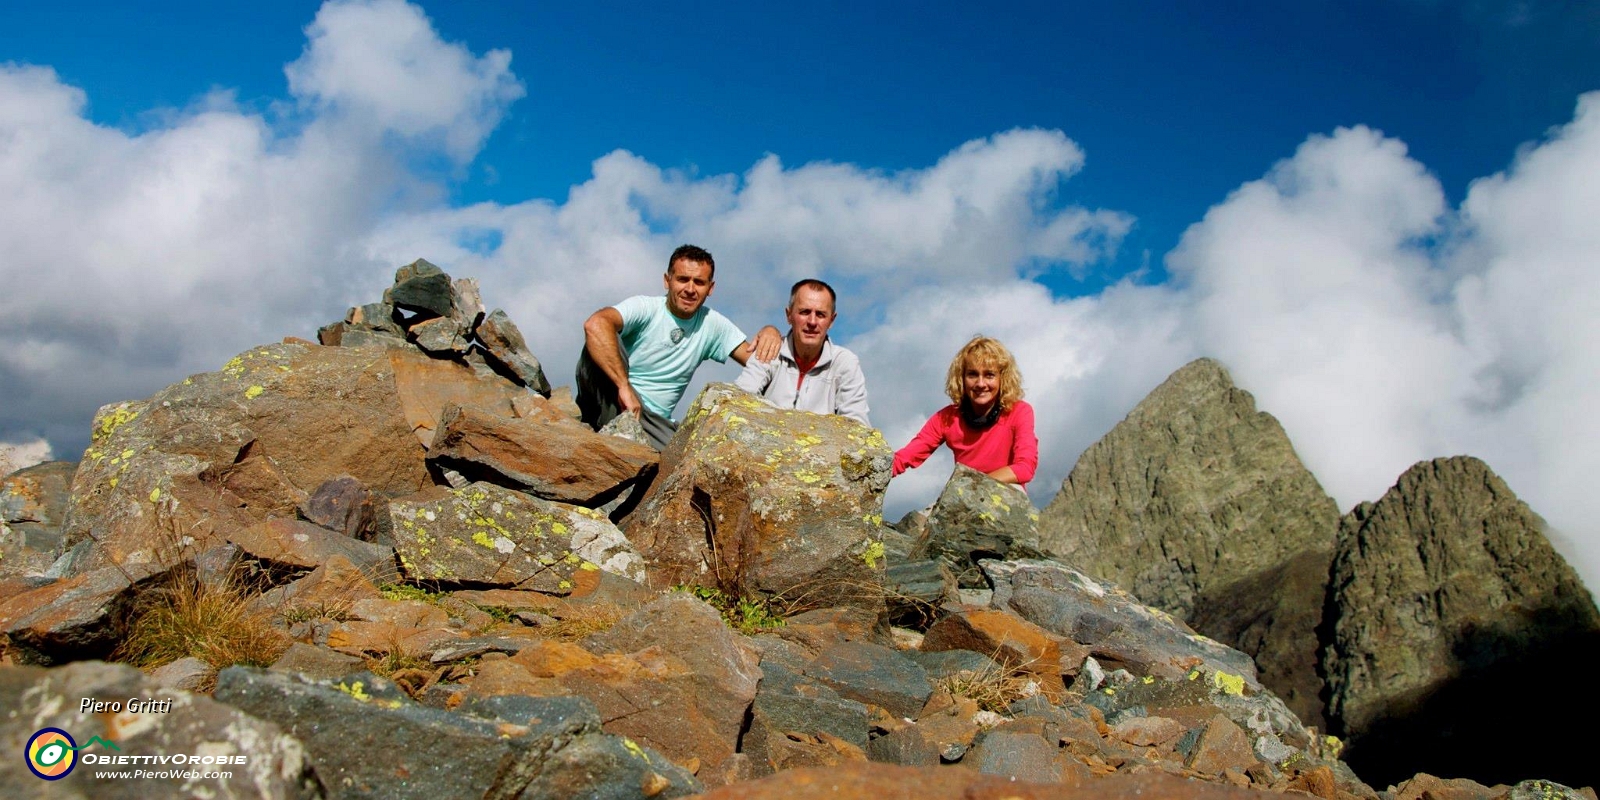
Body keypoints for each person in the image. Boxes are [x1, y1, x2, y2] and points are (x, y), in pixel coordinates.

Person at [577, 244, 780, 450]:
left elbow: (760, 363)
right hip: (612, 395)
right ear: (667, 281)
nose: (690, 289)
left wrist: (771, 332)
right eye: (683, 279)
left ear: (711, 288)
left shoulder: (713, 324)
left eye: (699, 282)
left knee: (689, 457)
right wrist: (623, 387)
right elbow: (595, 324)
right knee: (605, 335)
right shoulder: (646, 308)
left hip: (653, 422)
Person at [892, 335, 1038, 487]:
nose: (980, 383)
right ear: (961, 378)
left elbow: (1025, 468)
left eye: (989, 375)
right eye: (972, 374)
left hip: (1004, 496)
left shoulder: (1019, 411)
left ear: (1003, 378)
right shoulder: (946, 418)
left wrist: (977, 486)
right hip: (963, 496)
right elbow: (905, 457)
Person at [734, 279, 870, 425]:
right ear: (789, 315)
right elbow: (739, 398)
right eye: (804, 312)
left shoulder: (845, 363)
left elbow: (857, 425)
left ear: (831, 320)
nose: (812, 321)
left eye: (820, 314)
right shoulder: (771, 348)